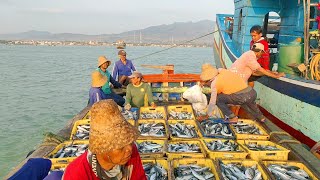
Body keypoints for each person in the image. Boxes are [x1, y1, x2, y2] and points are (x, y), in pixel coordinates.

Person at [63, 99, 146, 180]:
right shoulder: (76, 174)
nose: (129, 149)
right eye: (120, 147)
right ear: (102, 149)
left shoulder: (131, 153)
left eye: (130, 142)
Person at [200, 63, 266, 123]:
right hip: (252, 92)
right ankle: (261, 117)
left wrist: (207, 115)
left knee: (218, 99)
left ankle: (233, 118)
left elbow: (212, 102)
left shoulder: (214, 84)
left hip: (242, 97)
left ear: (209, 79)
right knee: (250, 102)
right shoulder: (222, 71)